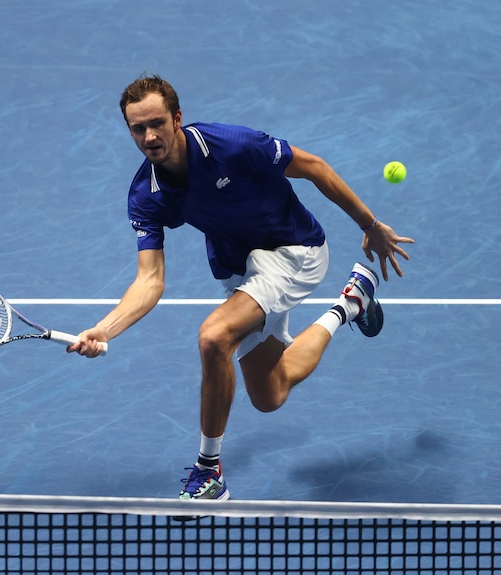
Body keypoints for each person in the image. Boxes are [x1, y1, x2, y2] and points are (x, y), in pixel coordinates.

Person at [68, 74, 414, 502]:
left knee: (215, 337)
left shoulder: (231, 145)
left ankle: (208, 472)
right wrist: (105, 329)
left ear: (177, 119)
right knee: (270, 394)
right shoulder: (147, 194)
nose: (149, 136)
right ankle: (352, 302)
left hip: (293, 249)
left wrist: (370, 225)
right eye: (138, 128)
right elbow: (150, 280)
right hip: (240, 272)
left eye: (157, 123)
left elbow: (315, 168)